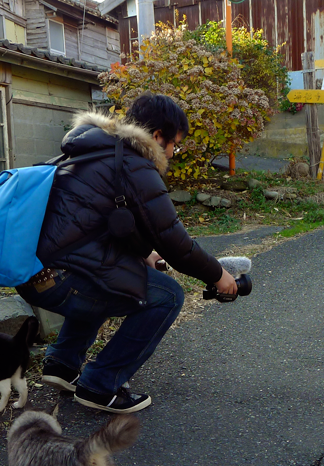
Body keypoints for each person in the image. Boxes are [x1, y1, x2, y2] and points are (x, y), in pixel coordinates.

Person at [16, 93, 237, 414]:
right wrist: (219, 275)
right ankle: (100, 384)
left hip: (35, 276)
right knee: (169, 295)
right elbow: (176, 243)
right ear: (158, 136)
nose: (173, 152)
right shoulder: (135, 164)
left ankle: (63, 364)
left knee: (114, 276)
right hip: (62, 280)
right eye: (175, 143)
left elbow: (99, 223)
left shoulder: (93, 153)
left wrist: (144, 252)